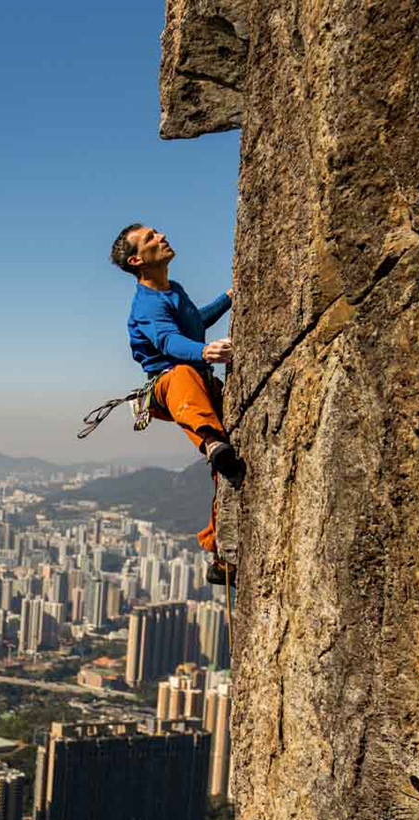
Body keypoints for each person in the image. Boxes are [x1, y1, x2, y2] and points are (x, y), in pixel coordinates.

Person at [111, 222, 243, 581]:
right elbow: (169, 342)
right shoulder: (146, 305)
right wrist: (204, 351)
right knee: (183, 374)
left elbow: (194, 321)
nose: (162, 236)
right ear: (138, 259)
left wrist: (229, 299)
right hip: (169, 385)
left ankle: (221, 554)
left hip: (195, 383)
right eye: (151, 238)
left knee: (227, 471)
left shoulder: (174, 291)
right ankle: (211, 440)